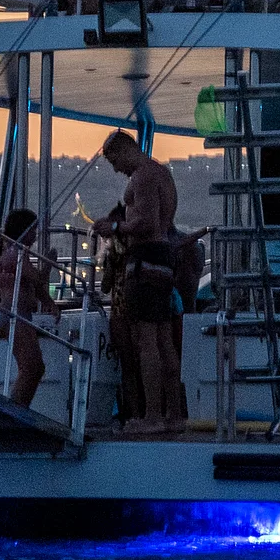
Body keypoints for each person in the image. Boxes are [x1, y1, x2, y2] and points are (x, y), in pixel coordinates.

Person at [92, 131, 185, 433]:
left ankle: (152, 417)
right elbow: (163, 221)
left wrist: (113, 226)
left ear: (125, 150)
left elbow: (145, 222)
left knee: (147, 343)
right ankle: (172, 413)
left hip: (145, 259)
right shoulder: (162, 174)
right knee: (164, 340)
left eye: (114, 160)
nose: (116, 169)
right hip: (163, 259)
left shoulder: (143, 177)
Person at [0, 208, 57, 407]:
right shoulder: (15, 254)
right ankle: (16, 407)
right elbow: (37, 280)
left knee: (33, 367)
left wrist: (49, 303)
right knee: (31, 367)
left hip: (18, 315)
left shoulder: (15, 252)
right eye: (33, 230)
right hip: (14, 315)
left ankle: (20, 406)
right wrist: (49, 263)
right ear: (24, 229)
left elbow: (35, 289)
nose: (36, 235)